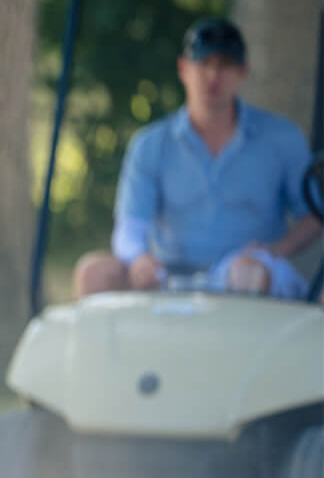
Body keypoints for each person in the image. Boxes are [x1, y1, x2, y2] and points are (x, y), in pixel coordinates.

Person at [74, 17, 320, 299]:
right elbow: (130, 227)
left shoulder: (281, 138)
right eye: (204, 63)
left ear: (243, 72)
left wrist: (274, 251)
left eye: (225, 66)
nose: (213, 76)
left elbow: (313, 215)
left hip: (248, 274)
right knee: (93, 272)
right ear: (183, 69)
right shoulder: (150, 144)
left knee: (245, 273)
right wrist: (139, 259)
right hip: (168, 276)